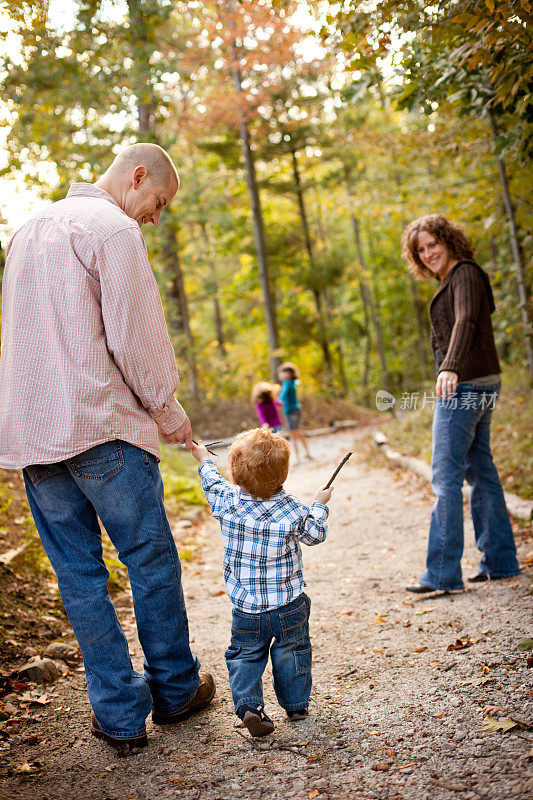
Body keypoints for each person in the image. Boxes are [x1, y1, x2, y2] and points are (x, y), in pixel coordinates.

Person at [0, 143, 215, 755]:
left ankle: (119, 718)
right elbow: (134, 337)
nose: (155, 216)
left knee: (79, 577)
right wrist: (169, 414)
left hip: (37, 442)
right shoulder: (113, 229)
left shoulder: (24, 232)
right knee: (148, 560)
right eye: (159, 203)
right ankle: (174, 690)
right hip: (104, 429)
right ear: (138, 175)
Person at [401, 214, 520, 593]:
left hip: (465, 386)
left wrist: (449, 367)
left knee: (446, 476)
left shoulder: (465, 273)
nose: (427, 253)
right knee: (480, 471)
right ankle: (500, 561)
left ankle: (442, 573)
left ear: (449, 240)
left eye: (432, 244)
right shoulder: (458, 278)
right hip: (480, 383)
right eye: (420, 250)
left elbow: (468, 319)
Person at [190, 428, 333, 737]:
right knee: (292, 650)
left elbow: (211, 482)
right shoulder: (294, 508)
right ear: (282, 476)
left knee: (244, 655)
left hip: (247, 609)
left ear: (236, 476)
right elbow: (314, 535)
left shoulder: (227, 500)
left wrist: (202, 458)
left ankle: (249, 707)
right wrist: (320, 504)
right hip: (289, 605)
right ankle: (295, 704)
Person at [277, 362, 312, 462]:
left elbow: (283, 395)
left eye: (285, 373)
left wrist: (277, 402)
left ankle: (298, 458)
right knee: (296, 432)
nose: (282, 375)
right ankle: (306, 453)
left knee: (294, 433)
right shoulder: (287, 383)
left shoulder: (288, 382)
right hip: (290, 410)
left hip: (293, 410)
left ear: (290, 374)